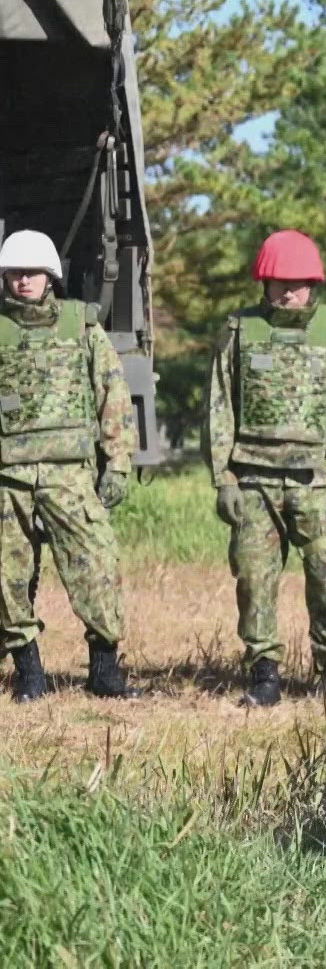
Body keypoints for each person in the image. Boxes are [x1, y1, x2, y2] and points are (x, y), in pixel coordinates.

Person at [205, 230, 326, 706]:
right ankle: (264, 675)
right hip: (254, 482)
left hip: (318, 484)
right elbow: (220, 407)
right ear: (264, 282)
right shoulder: (239, 331)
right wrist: (223, 478)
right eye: (279, 281)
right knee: (254, 581)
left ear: (314, 283)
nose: (289, 290)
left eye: (298, 281)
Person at [0, 229, 139, 701]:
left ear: (50, 277)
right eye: (15, 273)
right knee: (6, 576)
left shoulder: (82, 325)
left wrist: (117, 462)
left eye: (32, 273)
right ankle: (29, 672)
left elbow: (113, 395)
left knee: (96, 565)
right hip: (8, 476)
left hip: (70, 473)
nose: (24, 281)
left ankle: (103, 670)